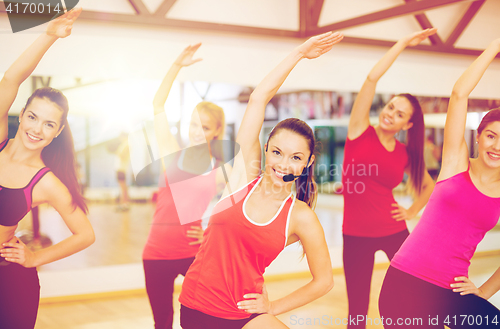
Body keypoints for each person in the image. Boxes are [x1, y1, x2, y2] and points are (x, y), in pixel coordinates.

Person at [178, 31, 344, 329]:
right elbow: (258, 98)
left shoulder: (300, 216)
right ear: (265, 150)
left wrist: (273, 306)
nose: (283, 164)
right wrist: (299, 54)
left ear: (308, 163)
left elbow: (324, 281)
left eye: (295, 157)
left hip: (245, 313)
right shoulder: (242, 176)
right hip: (196, 307)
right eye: (277, 152)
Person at [379, 38, 500, 328]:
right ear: (480, 136)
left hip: (451, 291)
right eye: (491, 135)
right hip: (405, 282)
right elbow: (459, 93)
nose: (496, 146)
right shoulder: (455, 161)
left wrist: (484, 291)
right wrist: (495, 44)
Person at [0, 9, 95, 329]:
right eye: (33, 117)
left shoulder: (46, 182)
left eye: (49, 124)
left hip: (9, 283)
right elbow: (11, 79)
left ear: (57, 131)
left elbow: (85, 235)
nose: (37, 129)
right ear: (21, 113)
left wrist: (35, 258)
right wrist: (49, 34)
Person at [341, 29, 436, 328]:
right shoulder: (359, 131)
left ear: (407, 125)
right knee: (357, 309)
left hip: (393, 229)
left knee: (411, 289)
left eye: (398, 114)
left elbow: (429, 187)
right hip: (354, 235)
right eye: (390, 107)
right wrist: (403, 43)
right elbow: (371, 80)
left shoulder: (406, 153)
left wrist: (410, 211)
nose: (390, 114)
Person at [142, 43, 229, 329]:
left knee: (200, 318)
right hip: (155, 253)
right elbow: (157, 104)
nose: (195, 131)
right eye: (193, 124)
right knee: (163, 323)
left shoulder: (220, 170)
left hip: (192, 253)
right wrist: (177, 65)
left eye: (204, 127)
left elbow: (235, 209)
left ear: (216, 131)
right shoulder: (171, 154)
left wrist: (208, 227)